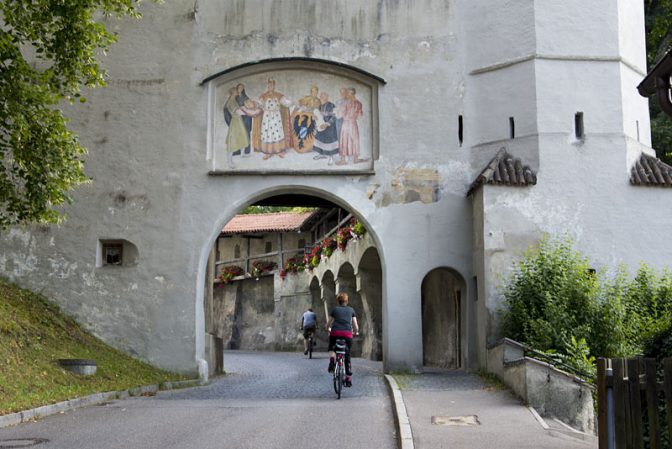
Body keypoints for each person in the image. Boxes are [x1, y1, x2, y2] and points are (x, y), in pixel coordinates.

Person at [325, 292, 359, 387]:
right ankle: (348, 378)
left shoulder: (335, 310)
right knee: (347, 355)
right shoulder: (351, 310)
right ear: (347, 301)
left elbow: (328, 324)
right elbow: (355, 325)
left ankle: (332, 360)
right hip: (347, 334)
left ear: (338, 301)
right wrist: (356, 332)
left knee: (332, 348)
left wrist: (328, 329)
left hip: (335, 332)